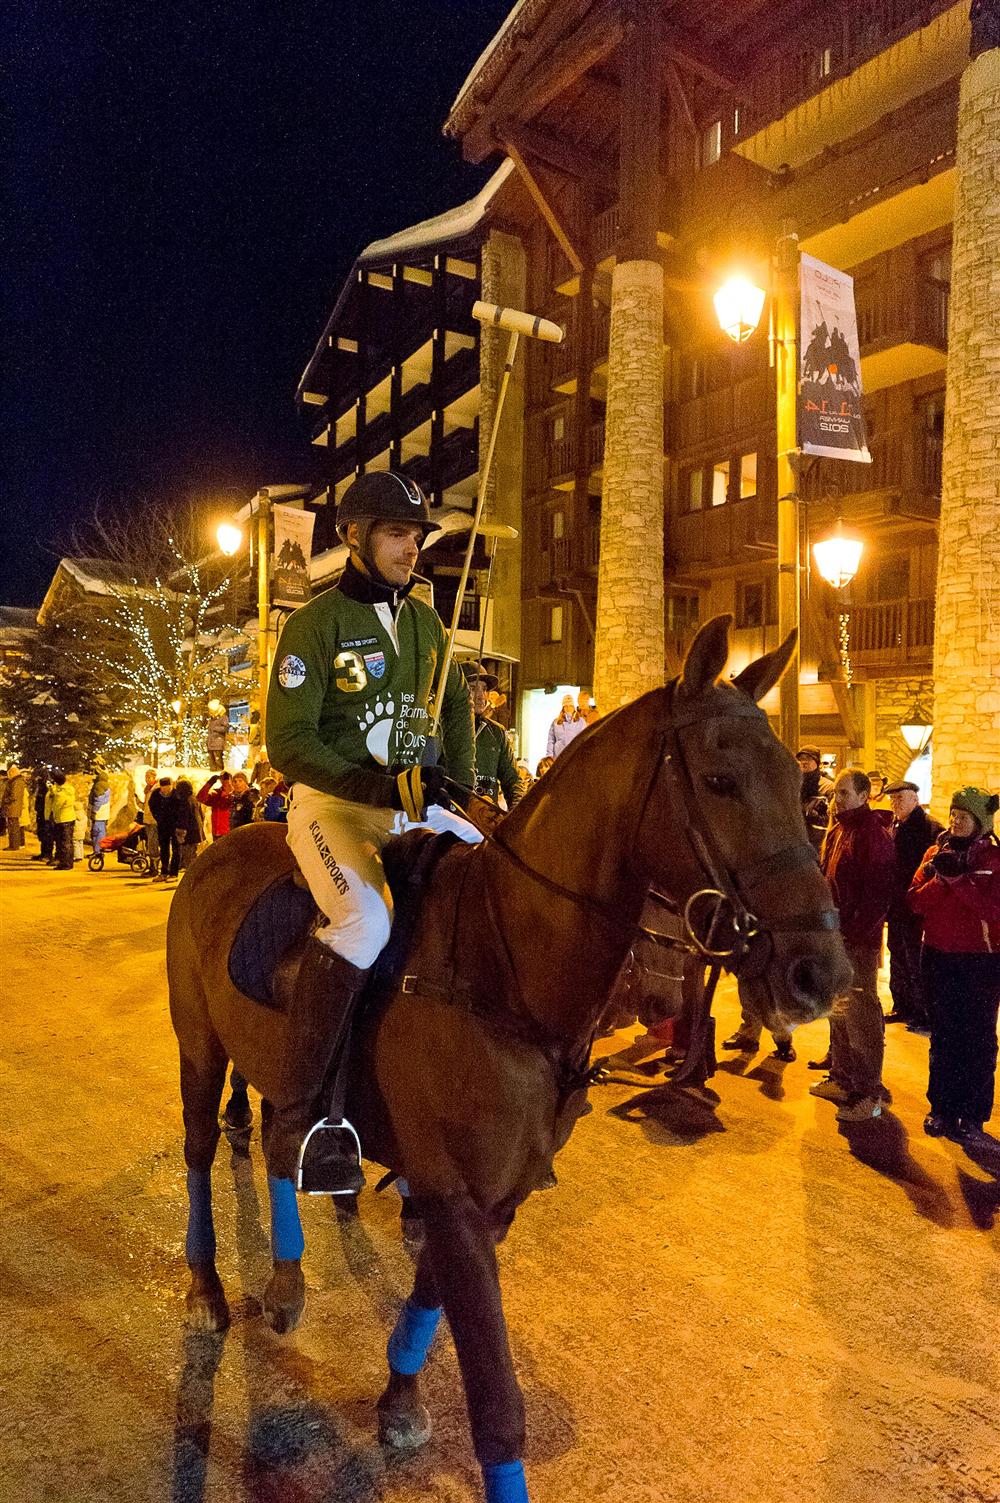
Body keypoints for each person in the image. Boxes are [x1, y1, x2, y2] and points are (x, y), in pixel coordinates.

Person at [265, 469, 476, 1194]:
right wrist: (377, 788)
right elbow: (288, 743)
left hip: (412, 805)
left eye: (417, 536)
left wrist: (464, 784)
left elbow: (456, 708)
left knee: (496, 877)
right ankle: (301, 1115)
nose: (411, 548)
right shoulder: (312, 625)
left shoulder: (428, 625)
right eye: (396, 533)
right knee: (366, 919)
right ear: (354, 536)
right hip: (333, 807)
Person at [909, 787, 1000, 1142]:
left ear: (980, 822)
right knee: (944, 1036)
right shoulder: (935, 853)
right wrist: (941, 881)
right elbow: (914, 902)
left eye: (964, 816)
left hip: (981, 961)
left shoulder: (994, 859)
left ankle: (973, 1115)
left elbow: (992, 911)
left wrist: (959, 882)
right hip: (937, 956)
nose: (955, 821)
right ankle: (942, 1109)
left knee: (977, 1039)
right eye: (953, 815)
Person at [811, 769, 897, 1122]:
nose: (837, 800)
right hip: (834, 936)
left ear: (864, 796)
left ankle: (867, 1092)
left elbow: (877, 896)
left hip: (856, 941)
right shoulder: (839, 828)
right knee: (839, 1009)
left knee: (861, 1014)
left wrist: (855, 934)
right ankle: (843, 1079)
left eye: (844, 793)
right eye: (837, 793)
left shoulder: (872, 835)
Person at [884, 780, 943, 1031]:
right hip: (897, 904)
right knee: (898, 954)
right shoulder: (895, 826)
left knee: (916, 960)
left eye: (900, 798)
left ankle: (923, 1012)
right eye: (893, 799)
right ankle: (902, 1005)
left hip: (915, 906)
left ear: (915, 800)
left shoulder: (930, 828)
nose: (895, 803)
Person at [464, 662, 522, 810]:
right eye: (472, 688)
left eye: (484, 689)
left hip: (487, 816)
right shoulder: (441, 729)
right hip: (451, 817)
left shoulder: (497, 732)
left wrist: (517, 812)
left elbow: (513, 781)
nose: (481, 696)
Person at [795, 746, 833, 852]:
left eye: (808, 758)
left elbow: (833, 818)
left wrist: (815, 817)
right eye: (801, 759)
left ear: (817, 763)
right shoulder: (792, 786)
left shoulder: (828, 787)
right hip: (797, 845)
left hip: (818, 845)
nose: (804, 762)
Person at [148, 776, 181, 883]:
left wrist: (177, 822)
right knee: (164, 848)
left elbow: (180, 809)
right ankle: (164, 872)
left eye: (168, 787)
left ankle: (174, 873)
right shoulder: (156, 795)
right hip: (162, 825)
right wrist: (159, 818)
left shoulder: (177, 794)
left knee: (176, 848)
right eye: (164, 788)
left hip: (175, 825)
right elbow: (152, 807)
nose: (166, 790)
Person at [46, 773, 77, 870]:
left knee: (64, 842)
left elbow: (56, 806)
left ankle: (65, 864)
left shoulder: (60, 794)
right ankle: (66, 861)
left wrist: (52, 795)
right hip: (67, 818)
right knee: (65, 842)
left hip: (63, 819)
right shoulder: (67, 789)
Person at [173, 779, 203, 874]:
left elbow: (183, 817)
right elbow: (201, 815)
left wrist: (180, 832)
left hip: (188, 832)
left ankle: (192, 876)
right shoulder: (194, 799)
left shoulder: (184, 800)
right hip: (195, 831)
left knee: (188, 856)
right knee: (192, 854)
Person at [546, 694, 587, 759]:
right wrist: (549, 757)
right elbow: (551, 740)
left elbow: (585, 740)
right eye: (566, 706)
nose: (568, 708)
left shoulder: (581, 721)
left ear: (574, 708)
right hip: (558, 756)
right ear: (563, 708)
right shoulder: (556, 722)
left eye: (570, 706)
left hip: (575, 756)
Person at [197, 771, 234, 838]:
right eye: (222, 778)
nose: (225, 781)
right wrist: (210, 782)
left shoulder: (235, 794)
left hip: (231, 833)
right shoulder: (216, 794)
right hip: (216, 833)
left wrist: (229, 792)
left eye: (226, 778)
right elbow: (200, 798)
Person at [88, 757, 112, 856]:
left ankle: (98, 852)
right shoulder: (104, 784)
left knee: (97, 832)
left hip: (99, 813)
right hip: (103, 813)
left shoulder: (99, 785)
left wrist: (94, 810)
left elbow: (98, 799)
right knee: (100, 831)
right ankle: (98, 851)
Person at [1, 764, 27, 851]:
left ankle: (14, 845)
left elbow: (14, 796)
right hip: (12, 808)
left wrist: (5, 800)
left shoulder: (17, 782)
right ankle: (13, 844)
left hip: (13, 808)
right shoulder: (16, 781)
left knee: (13, 828)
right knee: (12, 827)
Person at [31, 769, 53, 861]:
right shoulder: (40, 785)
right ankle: (43, 853)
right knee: (42, 833)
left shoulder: (47, 786)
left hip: (46, 813)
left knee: (46, 833)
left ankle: (47, 854)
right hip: (41, 812)